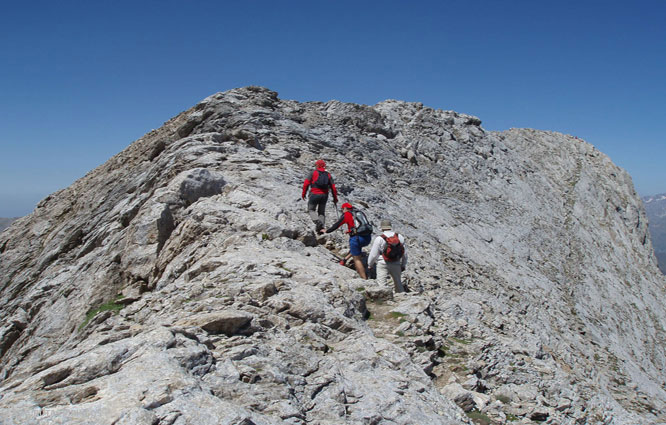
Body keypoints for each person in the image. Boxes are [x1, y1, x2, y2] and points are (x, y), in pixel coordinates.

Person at [320, 202, 371, 279]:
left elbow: (336, 225)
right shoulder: (359, 212)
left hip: (356, 238)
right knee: (356, 249)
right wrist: (349, 231)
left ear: (345, 208)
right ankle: (345, 259)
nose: (342, 211)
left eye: (342, 209)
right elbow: (360, 225)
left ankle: (364, 279)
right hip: (367, 237)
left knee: (357, 259)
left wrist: (327, 231)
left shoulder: (347, 214)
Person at [367, 219, 408, 293]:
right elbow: (404, 253)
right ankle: (401, 296)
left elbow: (373, 254)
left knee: (381, 283)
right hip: (396, 262)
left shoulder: (379, 238)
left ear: (382, 228)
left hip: (383, 262)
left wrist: (370, 264)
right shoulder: (399, 237)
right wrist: (403, 264)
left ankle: (384, 299)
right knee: (398, 282)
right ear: (390, 227)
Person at [302, 159, 339, 232]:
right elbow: (333, 188)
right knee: (321, 212)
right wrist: (335, 198)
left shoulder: (313, 173)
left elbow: (306, 183)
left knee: (311, 210)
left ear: (317, 165)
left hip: (314, 194)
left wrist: (304, 193)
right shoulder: (328, 175)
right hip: (324, 195)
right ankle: (321, 229)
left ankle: (317, 221)